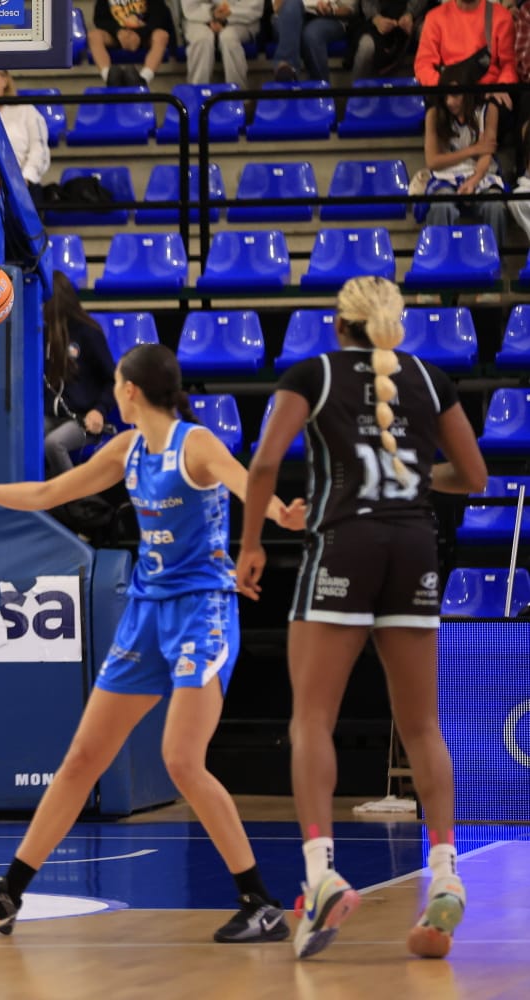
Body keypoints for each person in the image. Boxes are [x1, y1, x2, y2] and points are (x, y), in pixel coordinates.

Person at [0, 342, 306, 941]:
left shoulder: (196, 444)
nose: (114, 396)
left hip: (200, 612)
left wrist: (281, 515)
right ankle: (7, 895)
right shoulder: (127, 449)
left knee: (182, 760)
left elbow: (247, 484)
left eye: (116, 388)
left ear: (130, 390)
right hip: (145, 611)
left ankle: (260, 903)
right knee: (83, 758)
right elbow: (50, 494)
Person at [237, 276, 488, 960]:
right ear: (396, 323)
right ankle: (446, 872)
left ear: (337, 323)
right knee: (423, 724)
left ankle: (321, 875)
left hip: (344, 545)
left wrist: (252, 544)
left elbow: (263, 464)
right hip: (414, 548)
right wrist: (412, 480)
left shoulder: (312, 374)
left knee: (312, 719)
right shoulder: (431, 379)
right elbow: (474, 476)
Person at [43, 271, 117, 477]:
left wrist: (99, 410)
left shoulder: (88, 332)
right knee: (26, 438)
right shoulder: (42, 333)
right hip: (50, 416)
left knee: (53, 444)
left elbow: (112, 380)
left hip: (82, 419)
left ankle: (76, 496)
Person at [419, 82, 507, 247]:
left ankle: (495, 259)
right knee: (441, 205)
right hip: (446, 176)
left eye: (455, 96)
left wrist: (474, 180)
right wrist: (472, 150)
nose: (449, 102)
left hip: (480, 174)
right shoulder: (434, 114)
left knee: (495, 205)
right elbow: (433, 162)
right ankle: (440, 257)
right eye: (446, 96)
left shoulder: (487, 110)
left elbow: (486, 153)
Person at [0, 70, 51, 206]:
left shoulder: (26, 110)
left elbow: (39, 151)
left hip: (22, 184)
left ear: (4, 80)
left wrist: (25, 178)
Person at [89, 0, 174, 87]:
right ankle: (110, 78)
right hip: (116, 35)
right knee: (94, 36)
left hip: (146, 34)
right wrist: (118, 32)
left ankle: (143, 79)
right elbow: (100, 19)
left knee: (162, 36)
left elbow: (159, 17)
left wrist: (140, 34)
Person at [272, 0, 357, 84]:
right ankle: (287, 70)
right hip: (290, 15)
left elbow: (349, 9)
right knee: (292, 7)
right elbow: (276, 7)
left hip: (329, 18)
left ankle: (320, 87)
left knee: (312, 34)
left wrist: (331, 10)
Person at [181, 0, 262, 86]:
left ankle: (237, 90)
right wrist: (212, 13)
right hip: (198, 20)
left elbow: (253, 8)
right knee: (202, 39)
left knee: (229, 38)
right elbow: (191, 8)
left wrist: (226, 16)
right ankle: (198, 90)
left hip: (240, 20)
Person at [354, 0, 428, 78]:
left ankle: (429, 81)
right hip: (376, 18)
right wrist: (376, 18)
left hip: (415, 17)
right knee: (366, 45)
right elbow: (368, 4)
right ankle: (358, 84)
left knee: (426, 32)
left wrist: (410, 14)